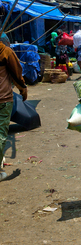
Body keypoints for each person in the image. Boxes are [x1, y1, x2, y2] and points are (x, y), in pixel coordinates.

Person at [0, 35, 28, 181]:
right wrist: (23, 90)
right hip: (3, 99)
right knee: (1, 134)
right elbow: (17, 75)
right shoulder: (5, 51)